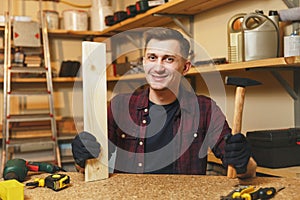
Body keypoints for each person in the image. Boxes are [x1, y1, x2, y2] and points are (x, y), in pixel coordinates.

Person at [72, 27, 257, 178]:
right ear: (144, 62)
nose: (158, 67)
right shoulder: (120, 106)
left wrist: (242, 160)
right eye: (152, 57)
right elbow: (90, 167)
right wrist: (81, 158)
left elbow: (246, 170)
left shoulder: (205, 109)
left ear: (185, 67)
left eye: (169, 59)